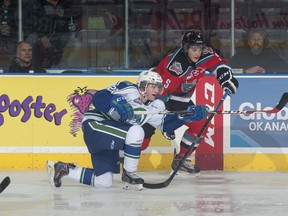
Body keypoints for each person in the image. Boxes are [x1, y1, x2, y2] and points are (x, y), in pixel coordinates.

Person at [46, 70, 209, 190]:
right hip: (95, 125)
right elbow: (98, 97)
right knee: (137, 131)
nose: (157, 90)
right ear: (143, 85)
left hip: (109, 133)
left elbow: (165, 125)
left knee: (104, 182)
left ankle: (63, 169)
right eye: (153, 86)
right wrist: (115, 100)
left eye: (159, 87)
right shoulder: (128, 88)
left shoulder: (154, 106)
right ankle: (129, 173)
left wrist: (189, 116)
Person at [141, 30, 239, 174]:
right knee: (142, 138)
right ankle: (122, 156)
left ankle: (180, 160)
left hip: (181, 99)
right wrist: (167, 122)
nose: (197, 53)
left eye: (199, 48)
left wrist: (226, 78)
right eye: (194, 49)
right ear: (186, 48)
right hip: (158, 99)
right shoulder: (176, 66)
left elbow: (218, 65)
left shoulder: (206, 54)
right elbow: (161, 94)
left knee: (200, 125)